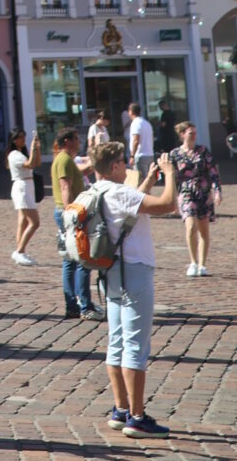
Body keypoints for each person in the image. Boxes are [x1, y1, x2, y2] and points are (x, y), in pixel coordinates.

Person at [91, 139, 178, 436]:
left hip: (110, 271)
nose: (126, 167)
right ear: (114, 166)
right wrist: (169, 174)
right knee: (136, 345)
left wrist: (148, 181)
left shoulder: (96, 190)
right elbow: (168, 204)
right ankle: (137, 416)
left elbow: (129, 210)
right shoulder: (120, 192)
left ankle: (121, 409)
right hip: (135, 270)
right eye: (123, 163)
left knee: (115, 342)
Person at [50, 129, 97, 320]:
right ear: (67, 141)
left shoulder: (66, 160)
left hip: (67, 211)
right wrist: (71, 213)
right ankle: (83, 305)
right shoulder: (63, 159)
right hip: (69, 212)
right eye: (77, 139)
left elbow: (78, 175)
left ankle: (74, 306)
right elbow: (65, 186)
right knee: (81, 260)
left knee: (70, 260)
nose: (80, 141)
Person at [168, 122, 221, 276]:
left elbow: (212, 172)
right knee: (191, 226)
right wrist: (172, 199)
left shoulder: (203, 151)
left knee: (204, 230)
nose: (194, 136)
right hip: (185, 192)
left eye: (195, 133)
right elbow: (172, 178)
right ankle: (193, 262)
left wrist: (217, 191)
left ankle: (202, 265)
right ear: (182, 134)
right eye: (191, 133)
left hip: (203, 192)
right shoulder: (175, 154)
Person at [6, 128, 42, 263]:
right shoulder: (14, 154)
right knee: (35, 222)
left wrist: (36, 149)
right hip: (22, 187)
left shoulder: (21, 153)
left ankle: (20, 250)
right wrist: (33, 149)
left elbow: (36, 163)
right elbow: (29, 164)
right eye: (19, 137)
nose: (22, 139)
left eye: (23, 137)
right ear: (13, 140)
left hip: (28, 185)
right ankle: (19, 251)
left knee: (23, 221)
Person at [126, 100, 153, 180]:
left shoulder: (135, 123)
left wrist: (132, 156)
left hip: (140, 155)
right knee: (147, 181)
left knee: (140, 182)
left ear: (131, 112)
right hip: (149, 154)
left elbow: (136, 140)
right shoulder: (146, 123)